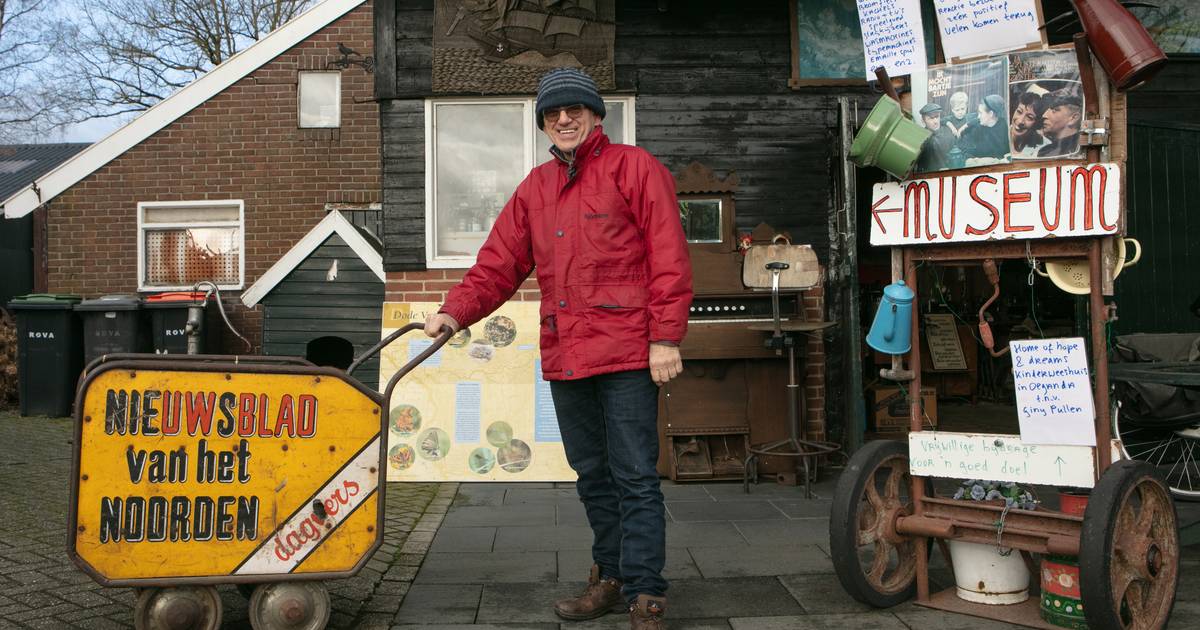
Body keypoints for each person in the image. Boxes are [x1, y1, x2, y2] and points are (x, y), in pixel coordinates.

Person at [423, 67, 692, 630]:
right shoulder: (535, 188)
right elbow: (497, 265)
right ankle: (610, 577)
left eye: (574, 110)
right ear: (545, 123)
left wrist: (666, 336)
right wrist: (454, 311)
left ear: (595, 115)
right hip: (568, 352)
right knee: (592, 474)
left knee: (635, 474)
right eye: (553, 113)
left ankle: (647, 591)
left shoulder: (635, 168)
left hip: (628, 352)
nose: (564, 119)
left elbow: (668, 256)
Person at [959, 94, 1010, 165]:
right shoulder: (975, 128)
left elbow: (1008, 153)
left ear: (991, 114)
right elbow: (966, 154)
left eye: (981, 113)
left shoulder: (1004, 126)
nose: (978, 116)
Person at [1038, 87, 1083, 158]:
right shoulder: (1045, 151)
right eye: (1047, 110)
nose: (1044, 115)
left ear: (1073, 118)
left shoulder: (1080, 149)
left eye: (1054, 110)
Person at [915, 102, 955, 172]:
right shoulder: (920, 138)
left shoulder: (948, 132)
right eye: (931, 118)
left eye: (937, 117)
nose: (935, 121)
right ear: (923, 121)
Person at [1010, 89, 1050, 157]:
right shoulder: (997, 135)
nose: (1020, 121)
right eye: (1019, 112)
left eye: (1029, 117)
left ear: (1036, 123)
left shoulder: (1045, 147)